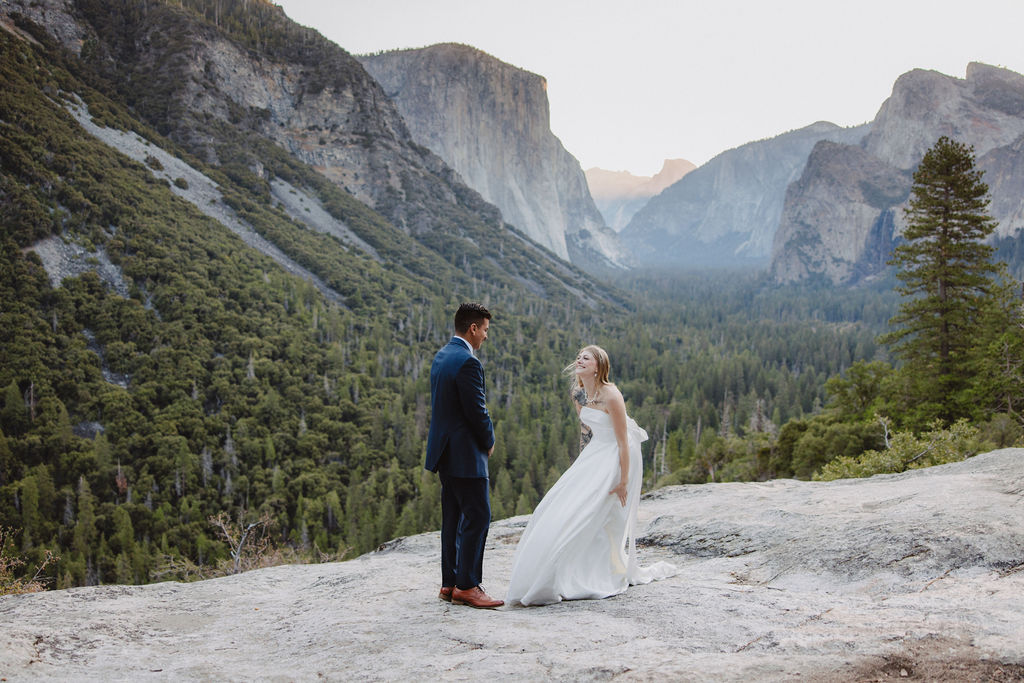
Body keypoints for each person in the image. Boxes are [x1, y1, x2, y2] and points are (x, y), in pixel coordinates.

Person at [506, 345, 676, 606]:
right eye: (578, 357)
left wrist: (623, 481)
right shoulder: (578, 393)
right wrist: (582, 466)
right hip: (598, 450)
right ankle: (563, 570)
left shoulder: (611, 395)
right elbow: (587, 432)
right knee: (560, 505)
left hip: (621, 453)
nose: (579, 360)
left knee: (601, 511)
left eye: (586, 358)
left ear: (598, 366)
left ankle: (605, 570)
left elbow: (622, 441)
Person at [425, 303, 503, 609]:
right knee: (479, 515)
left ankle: (449, 583)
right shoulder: (469, 363)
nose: (485, 335)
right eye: (484, 329)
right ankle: (468, 586)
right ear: (472, 328)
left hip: (444, 452)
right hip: (466, 454)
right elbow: (477, 411)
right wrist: (489, 440)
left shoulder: (442, 355)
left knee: (454, 516)